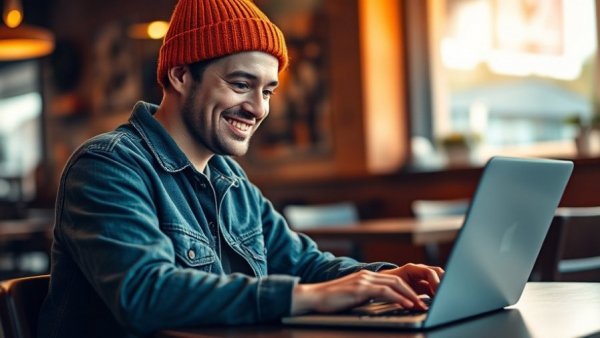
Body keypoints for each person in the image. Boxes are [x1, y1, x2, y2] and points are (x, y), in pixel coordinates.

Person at [37, 0, 444, 337]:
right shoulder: (108, 165)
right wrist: (310, 297)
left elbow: (304, 264)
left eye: (267, 90)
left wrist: (386, 277)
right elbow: (144, 294)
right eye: (240, 84)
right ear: (180, 75)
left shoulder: (230, 178)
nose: (258, 108)